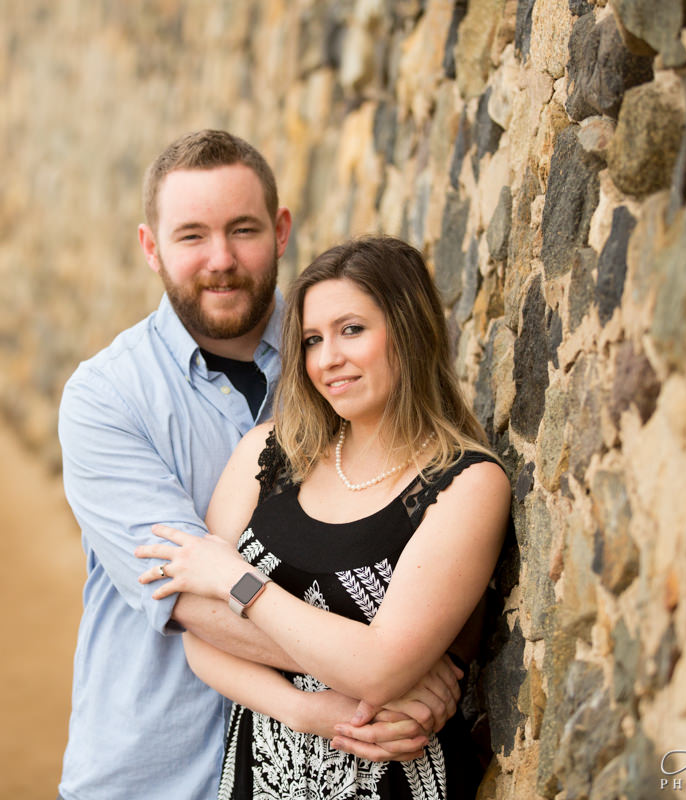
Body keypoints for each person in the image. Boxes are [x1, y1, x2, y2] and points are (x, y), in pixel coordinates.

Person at [57, 133, 466, 800]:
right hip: (156, 772)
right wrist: (385, 671)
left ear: (279, 231)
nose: (220, 260)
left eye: (242, 230)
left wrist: (391, 665)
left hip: (316, 776)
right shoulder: (107, 398)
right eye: (191, 236)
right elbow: (184, 597)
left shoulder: (342, 367)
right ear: (150, 247)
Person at [134, 235, 511, 798]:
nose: (328, 358)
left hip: (394, 776)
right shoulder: (268, 453)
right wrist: (309, 709)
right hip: (262, 776)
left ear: (409, 331)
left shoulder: (466, 484)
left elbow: (379, 670)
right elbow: (197, 633)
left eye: (351, 330)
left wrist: (236, 582)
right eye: (312, 339)